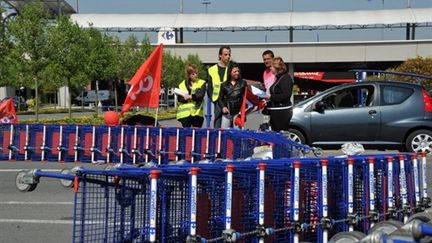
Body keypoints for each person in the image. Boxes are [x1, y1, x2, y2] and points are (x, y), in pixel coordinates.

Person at [265, 57, 293, 132]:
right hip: (275, 111)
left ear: (276, 67)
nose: (270, 68)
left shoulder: (285, 78)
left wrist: (271, 96)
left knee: (281, 134)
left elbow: (286, 95)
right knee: (276, 133)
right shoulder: (278, 78)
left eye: (271, 66)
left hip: (282, 112)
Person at [207, 45, 231, 128]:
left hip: (228, 101)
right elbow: (210, 88)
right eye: (225, 54)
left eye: (229, 54)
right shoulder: (212, 69)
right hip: (217, 101)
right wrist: (215, 101)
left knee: (228, 126)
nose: (228, 57)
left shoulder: (231, 69)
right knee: (217, 125)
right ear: (220, 55)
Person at [218, 62, 246, 128]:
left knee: (237, 134)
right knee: (224, 133)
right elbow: (219, 98)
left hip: (238, 114)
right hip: (227, 113)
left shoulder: (243, 84)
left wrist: (244, 112)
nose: (237, 73)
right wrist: (223, 107)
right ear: (230, 72)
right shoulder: (224, 85)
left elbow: (247, 98)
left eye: (238, 71)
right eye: (235, 71)